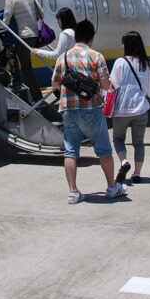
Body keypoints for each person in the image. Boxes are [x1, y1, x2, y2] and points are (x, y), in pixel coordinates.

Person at [52, 19, 127, 203]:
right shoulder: (96, 56)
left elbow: (55, 83)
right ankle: (111, 187)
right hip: (91, 108)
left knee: (70, 151)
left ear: (75, 37)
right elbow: (105, 85)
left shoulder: (63, 57)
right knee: (103, 150)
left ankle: (73, 192)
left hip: (69, 110)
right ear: (91, 39)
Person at [109, 30, 150, 184]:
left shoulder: (120, 63)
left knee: (118, 138)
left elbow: (113, 85)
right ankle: (137, 173)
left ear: (126, 45)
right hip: (141, 108)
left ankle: (123, 162)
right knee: (139, 143)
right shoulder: (145, 63)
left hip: (121, 109)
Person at [1, 0, 43, 102]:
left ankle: (36, 96)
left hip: (23, 37)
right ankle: (18, 83)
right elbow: (40, 12)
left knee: (24, 65)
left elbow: (5, 21)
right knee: (15, 54)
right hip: (34, 35)